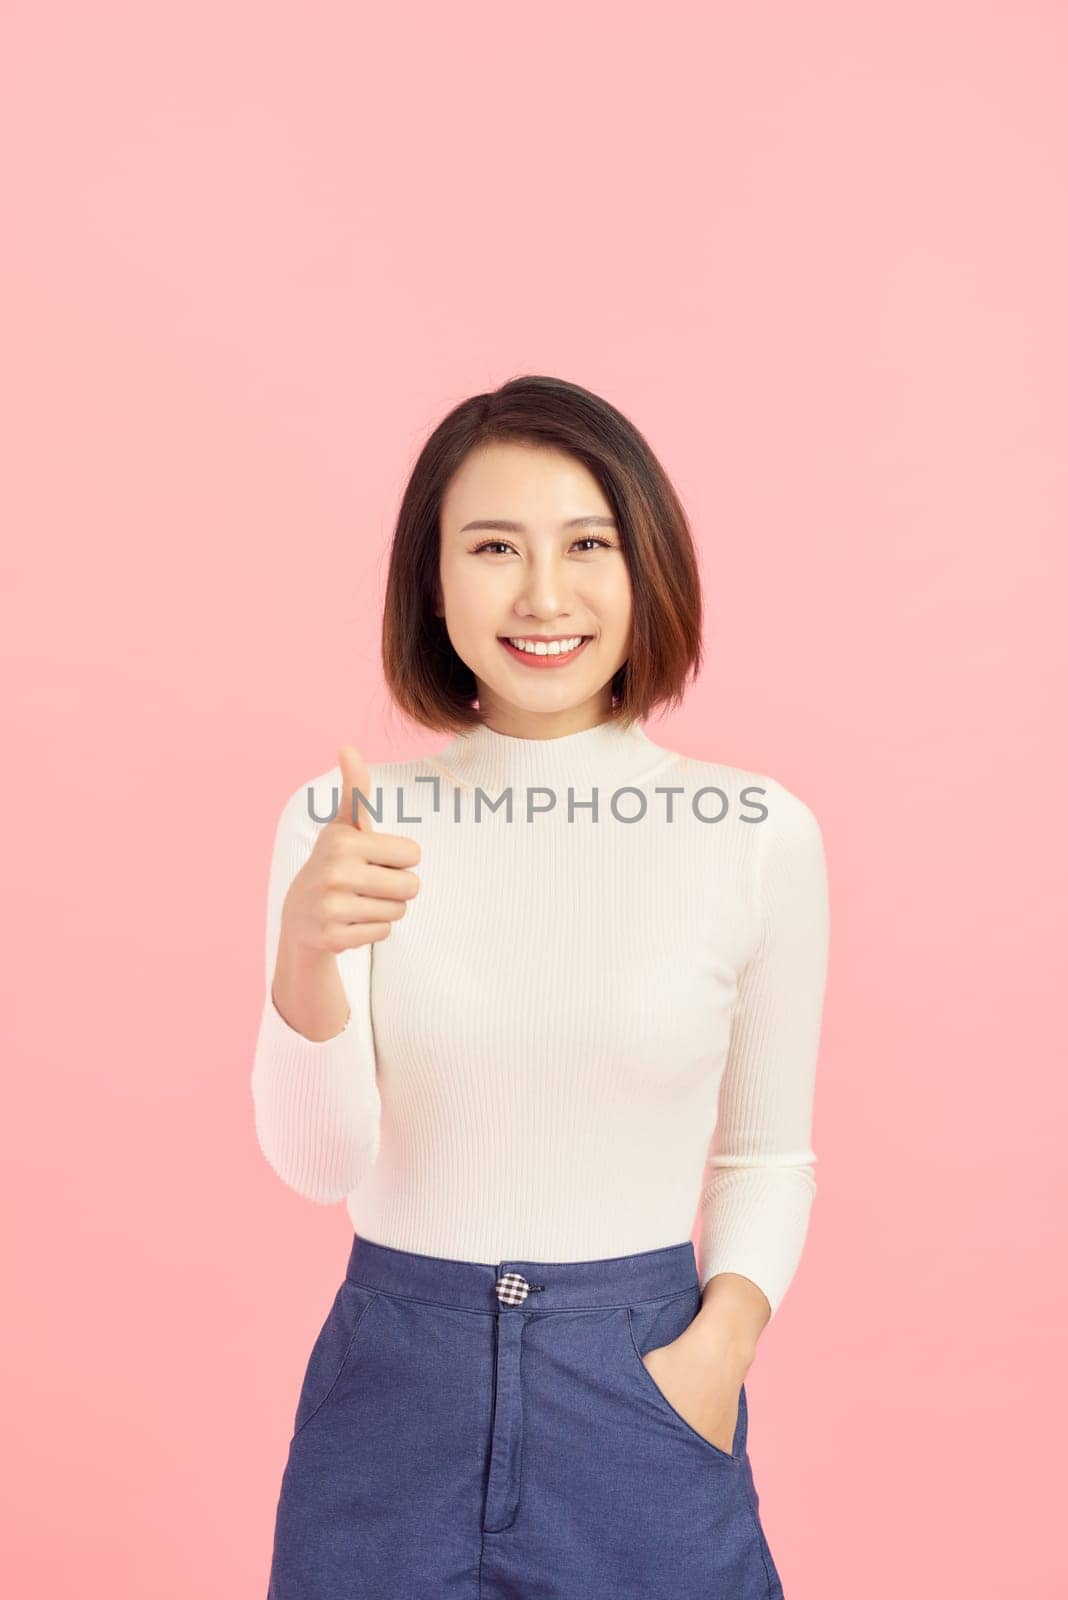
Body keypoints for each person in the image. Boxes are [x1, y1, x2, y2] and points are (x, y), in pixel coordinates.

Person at [252, 374, 830, 1600]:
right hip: (392, 1390)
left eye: (587, 545)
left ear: (647, 568)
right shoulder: (345, 822)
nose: (544, 595)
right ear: (433, 578)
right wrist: (305, 956)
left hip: (642, 1385)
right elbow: (322, 1165)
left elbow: (767, 1154)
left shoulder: (756, 831)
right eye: (494, 547)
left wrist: (713, 1354)